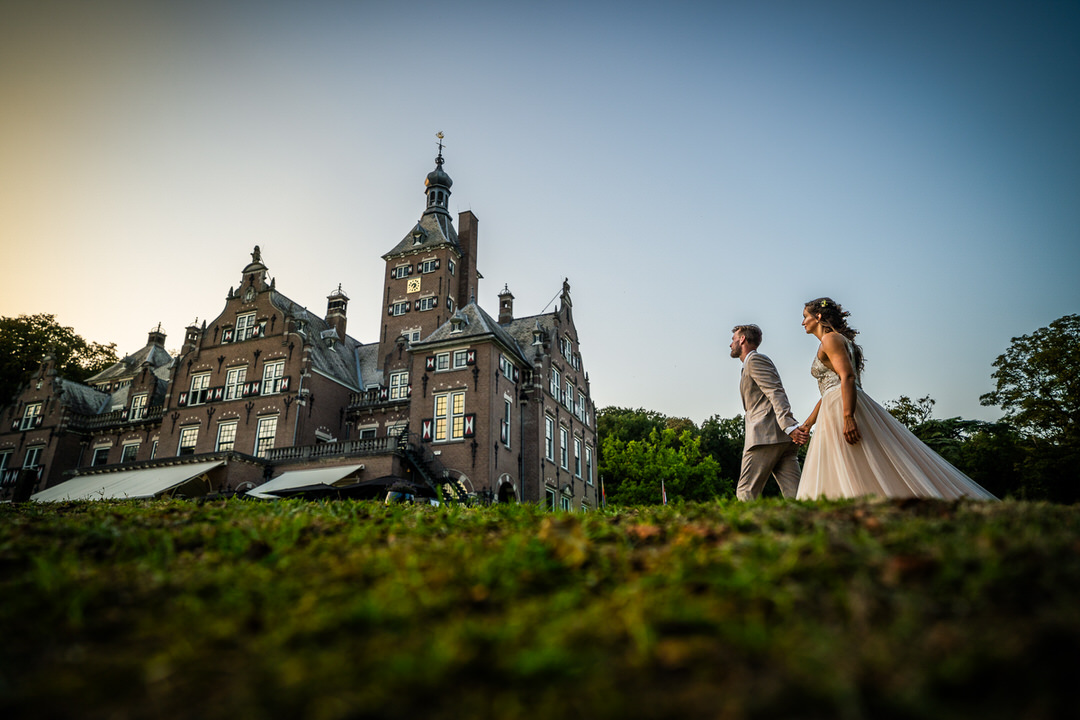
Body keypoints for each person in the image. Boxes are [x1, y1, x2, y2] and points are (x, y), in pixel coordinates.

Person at [795, 298, 996, 500]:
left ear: (818, 317)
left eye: (805, 317)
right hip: (837, 402)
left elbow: (847, 377)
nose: (803, 322)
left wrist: (848, 416)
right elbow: (831, 388)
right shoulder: (839, 341)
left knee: (850, 460)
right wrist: (808, 423)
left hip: (842, 406)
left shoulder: (830, 340)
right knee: (854, 460)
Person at [730, 324, 809, 501]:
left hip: (765, 436)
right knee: (796, 495)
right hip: (781, 440)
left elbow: (776, 391)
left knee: (746, 491)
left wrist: (789, 426)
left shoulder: (755, 360)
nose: (730, 344)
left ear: (742, 339)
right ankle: (806, 525)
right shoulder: (749, 364)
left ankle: (748, 528)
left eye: (733, 339)